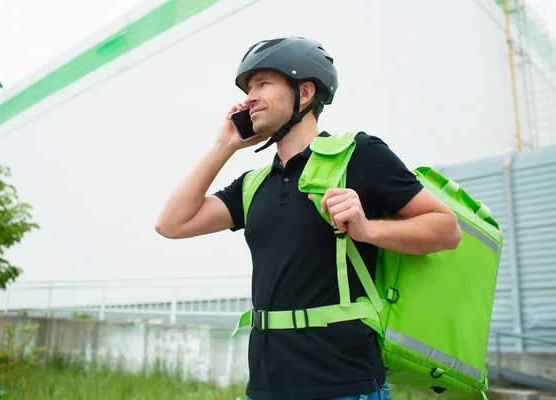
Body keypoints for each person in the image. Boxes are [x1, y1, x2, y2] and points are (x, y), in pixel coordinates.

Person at [155, 37, 461, 400]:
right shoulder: (254, 184)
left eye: (262, 83)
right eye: (247, 88)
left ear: (304, 92)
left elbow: (447, 229)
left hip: (344, 385)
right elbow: (171, 224)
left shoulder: (359, 155)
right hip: (266, 388)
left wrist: (367, 229)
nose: (249, 97)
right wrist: (224, 146)